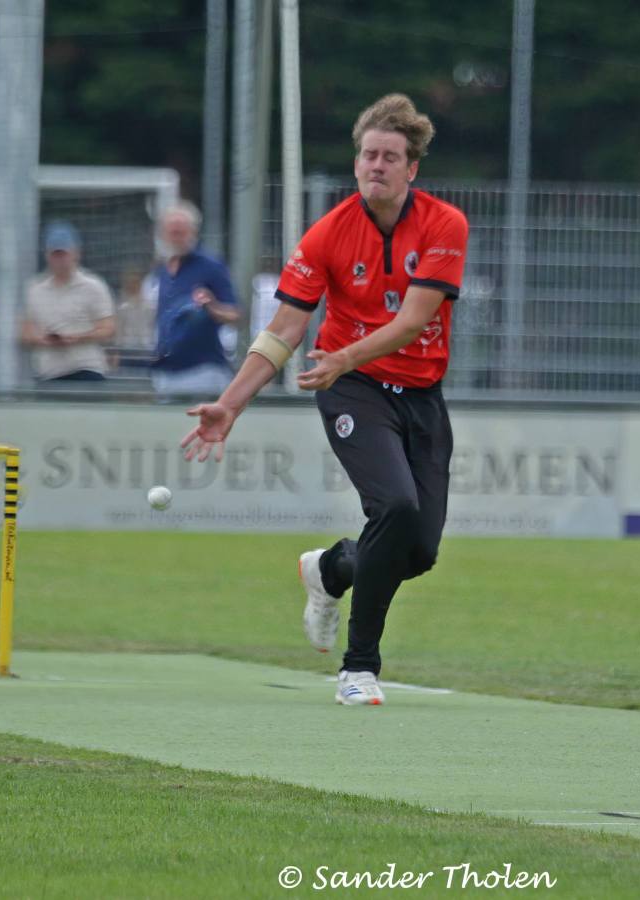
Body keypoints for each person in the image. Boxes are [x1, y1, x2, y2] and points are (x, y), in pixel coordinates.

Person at [181, 94, 469, 706]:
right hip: (353, 390)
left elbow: (417, 319)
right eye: (368, 155)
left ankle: (333, 569)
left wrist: (345, 353)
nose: (377, 166)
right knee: (394, 506)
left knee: (417, 551)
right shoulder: (328, 234)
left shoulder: (445, 224)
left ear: (412, 168)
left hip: (418, 393)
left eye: (391, 157)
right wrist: (230, 404)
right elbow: (284, 330)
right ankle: (358, 668)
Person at [150, 202, 240, 397]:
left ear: (193, 232)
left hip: (202, 371)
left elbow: (235, 314)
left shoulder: (210, 266)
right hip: (166, 373)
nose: (176, 238)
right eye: (171, 232)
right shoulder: (162, 270)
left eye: (181, 232)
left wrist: (211, 306)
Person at [21, 222, 116, 382]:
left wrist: (79, 338)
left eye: (63, 254)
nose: (59, 260)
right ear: (47, 255)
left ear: (76, 254)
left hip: (86, 369)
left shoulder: (93, 286)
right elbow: (26, 332)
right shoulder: (34, 289)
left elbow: (108, 328)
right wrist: (42, 340)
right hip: (49, 373)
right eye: (55, 254)